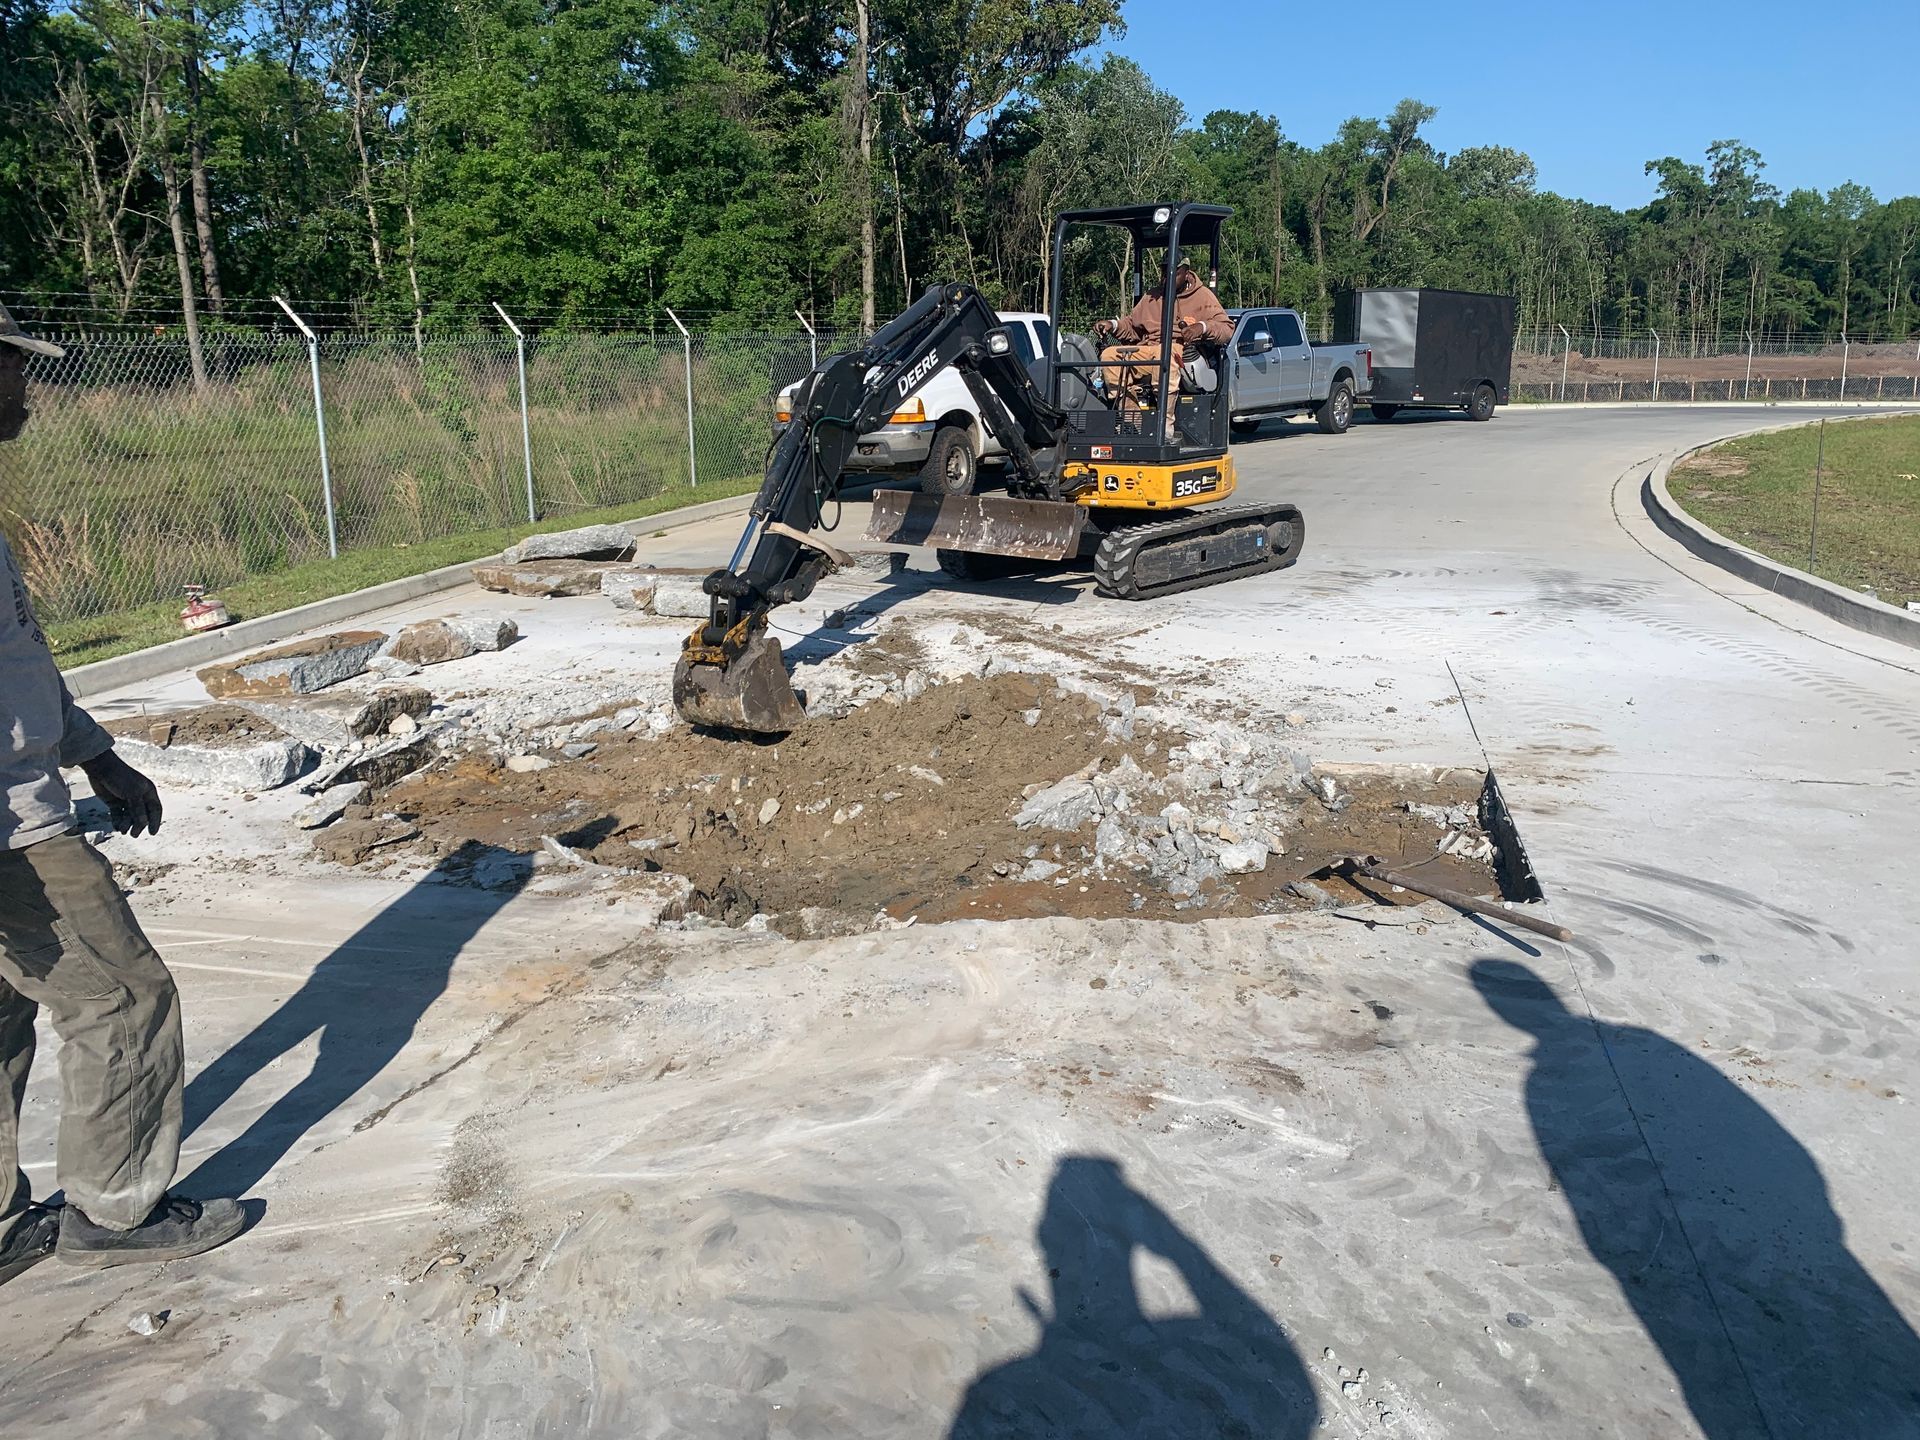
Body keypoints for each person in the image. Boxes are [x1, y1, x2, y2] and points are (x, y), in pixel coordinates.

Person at [0, 301, 246, 1287]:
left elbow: (21, 660)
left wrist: (94, 753)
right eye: (15, 367)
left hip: (25, 800)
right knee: (124, 998)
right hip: (13, 835)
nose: (28, 388)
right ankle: (115, 1208)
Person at [1094, 260, 1233, 407]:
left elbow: (1227, 328)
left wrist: (1202, 327)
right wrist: (1113, 325)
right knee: (1110, 355)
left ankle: (1165, 422)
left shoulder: (1202, 296)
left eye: (1174, 273)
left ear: (1186, 274)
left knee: (1164, 352)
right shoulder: (1152, 296)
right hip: (1148, 350)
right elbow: (1132, 326)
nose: (1167, 277)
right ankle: (1129, 415)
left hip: (1180, 351)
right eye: (1164, 273)